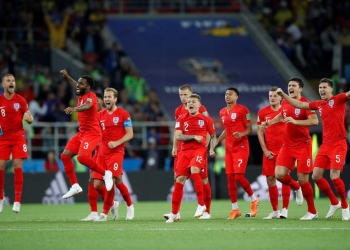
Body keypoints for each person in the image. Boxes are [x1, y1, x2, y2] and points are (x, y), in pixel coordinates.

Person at [276, 78, 349, 221]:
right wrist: (284, 95)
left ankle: (346, 207)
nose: (321, 90)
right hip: (325, 144)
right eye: (320, 87)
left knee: (334, 177)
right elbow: (301, 104)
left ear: (331, 89)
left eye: (324, 87)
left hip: (339, 143)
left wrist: (296, 121)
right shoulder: (319, 104)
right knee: (316, 177)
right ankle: (334, 203)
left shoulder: (338, 99)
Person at [267, 77, 319, 220]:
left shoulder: (306, 103)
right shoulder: (284, 102)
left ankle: (312, 211)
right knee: (279, 174)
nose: (291, 87)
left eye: (294, 85)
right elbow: (282, 115)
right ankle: (296, 187)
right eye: (289, 85)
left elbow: (315, 121)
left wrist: (296, 121)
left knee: (303, 179)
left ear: (300, 89)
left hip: (303, 145)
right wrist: (270, 122)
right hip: (287, 145)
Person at [59, 69, 113, 199]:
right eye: (78, 83)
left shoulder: (91, 96)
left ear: (88, 86)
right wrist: (67, 76)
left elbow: (88, 106)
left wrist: (75, 108)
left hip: (93, 133)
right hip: (82, 133)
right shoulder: (81, 94)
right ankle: (75, 186)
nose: (78, 85)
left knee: (81, 158)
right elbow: (75, 85)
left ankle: (106, 174)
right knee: (65, 156)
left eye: (81, 84)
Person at [165, 94, 217, 223]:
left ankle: (202, 205)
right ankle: (174, 213)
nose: (190, 103)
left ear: (199, 105)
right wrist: (193, 136)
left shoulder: (206, 119)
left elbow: (213, 136)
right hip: (184, 152)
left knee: (196, 171)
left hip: (199, 151)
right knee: (179, 179)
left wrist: (211, 148)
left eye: (193, 101)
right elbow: (178, 136)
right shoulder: (181, 118)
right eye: (188, 102)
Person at [92, 87, 135, 221]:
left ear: (115, 99)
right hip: (101, 153)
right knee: (97, 185)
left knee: (112, 180)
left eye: (109, 97)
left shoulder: (124, 114)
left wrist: (117, 142)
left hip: (116, 152)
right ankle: (112, 204)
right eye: (105, 97)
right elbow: (95, 133)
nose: (106, 99)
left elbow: (130, 134)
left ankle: (108, 213)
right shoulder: (100, 115)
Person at [216, 87, 259, 219]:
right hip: (229, 149)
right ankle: (235, 209)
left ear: (236, 97)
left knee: (239, 177)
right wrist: (217, 140)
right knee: (230, 179)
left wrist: (241, 134)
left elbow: (250, 130)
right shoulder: (222, 112)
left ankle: (254, 200)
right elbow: (227, 130)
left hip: (241, 147)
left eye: (230, 94)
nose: (227, 96)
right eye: (226, 94)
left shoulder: (242, 109)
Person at [0, 73, 34, 213]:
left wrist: (28, 118)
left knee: (17, 164)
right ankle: (1, 197)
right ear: (3, 84)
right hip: (3, 138)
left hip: (18, 137)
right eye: (8, 81)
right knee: (1, 165)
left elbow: (31, 119)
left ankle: (17, 200)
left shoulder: (20, 100)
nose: (11, 82)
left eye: (13, 80)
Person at [257, 87, 291, 219]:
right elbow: (260, 131)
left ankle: (285, 210)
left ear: (281, 98)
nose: (272, 98)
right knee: (270, 179)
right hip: (269, 151)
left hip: (284, 150)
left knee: (284, 178)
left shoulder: (286, 110)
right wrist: (265, 150)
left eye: (275, 96)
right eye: (270, 96)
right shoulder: (262, 112)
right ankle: (275, 211)